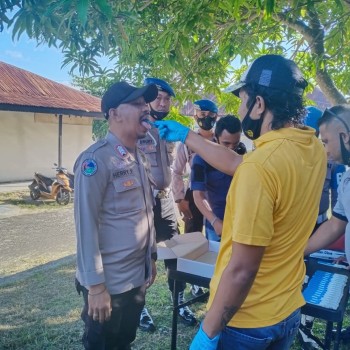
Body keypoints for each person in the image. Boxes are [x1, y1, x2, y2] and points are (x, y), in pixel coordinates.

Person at [155, 54, 326, 349]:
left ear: (259, 104)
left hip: (247, 321)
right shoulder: (311, 147)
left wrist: (207, 334)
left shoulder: (259, 168)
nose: (239, 108)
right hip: (287, 308)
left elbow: (242, 269)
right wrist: (188, 136)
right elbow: (239, 164)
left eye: (243, 99)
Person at [74, 81, 159, 350]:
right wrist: (96, 288)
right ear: (114, 114)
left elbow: (145, 214)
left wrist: (151, 257)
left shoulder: (138, 158)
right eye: (136, 104)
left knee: (124, 342)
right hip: (110, 285)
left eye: (145, 104)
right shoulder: (96, 160)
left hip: (136, 278)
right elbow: (85, 226)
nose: (145, 109)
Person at [137, 77, 197, 331]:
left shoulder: (169, 129)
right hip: (142, 205)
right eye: (158, 98)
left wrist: (178, 198)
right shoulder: (137, 128)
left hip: (166, 202)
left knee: (175, 253)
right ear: (147, 99)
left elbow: (174, 171)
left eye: (167, 99)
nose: (162, 103)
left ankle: (179, 301)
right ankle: (140, 308)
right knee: (141, 256)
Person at [305, 105, 350, 342]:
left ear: (345, 136)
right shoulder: (346, 177)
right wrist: (297, 251)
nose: (324, 149)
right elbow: (337, 223)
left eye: (325, 141)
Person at [172, 98, 218, 297]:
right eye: (202, 114)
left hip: (218, 193)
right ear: (195, 115)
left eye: (210, 115)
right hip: (194, 193)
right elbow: (176, 171)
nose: (205, 118)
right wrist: (180, 199)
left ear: (216, 117)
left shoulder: (221, 139)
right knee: (192, 237)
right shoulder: (187, 142)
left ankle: (214, 278)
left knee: (216, 236)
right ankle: (192, 283)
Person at [191, 115, 246, 242]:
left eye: (235, 144)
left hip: (242, 223)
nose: (231, 149)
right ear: (216, 138)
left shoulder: (242, 154)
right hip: (217, 224)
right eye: (226, 143)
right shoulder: (201, 159)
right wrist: (215, 221)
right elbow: (198, 196)